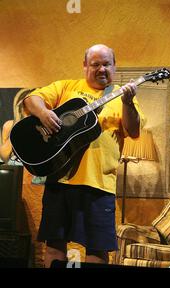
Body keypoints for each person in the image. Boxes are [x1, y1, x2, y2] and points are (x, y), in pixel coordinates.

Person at [21, 44, 145, 267]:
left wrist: (128, 103)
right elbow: (31, 100)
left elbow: (133, 130)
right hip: (60, 178)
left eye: (106, 64)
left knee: (97, 250)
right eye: (95, 64)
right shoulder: (66, 87)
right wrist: (44, 113)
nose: (101, 69)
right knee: (54, 245)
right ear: (85, 66)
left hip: (99, 185)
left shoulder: (122, 98)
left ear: (114, 67)